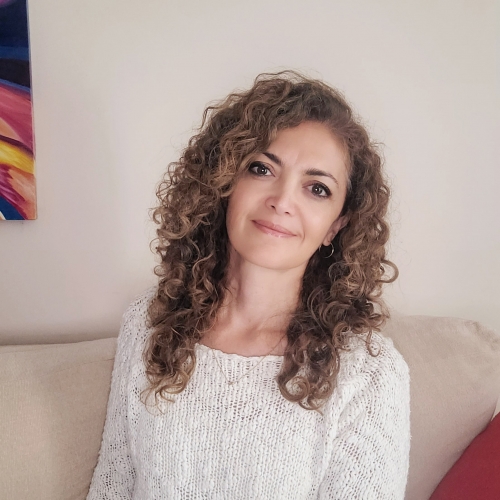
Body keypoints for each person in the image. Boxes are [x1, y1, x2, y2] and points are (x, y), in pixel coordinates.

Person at [87, 71, 411, 499]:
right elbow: (113, 484)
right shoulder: (149, 323)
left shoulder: (369, 374)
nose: (282, 201)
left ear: (336, 226)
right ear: (224, 183)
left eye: (317, 188)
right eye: (261, 169)